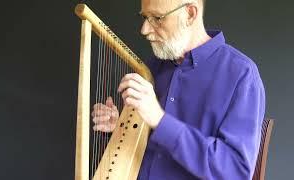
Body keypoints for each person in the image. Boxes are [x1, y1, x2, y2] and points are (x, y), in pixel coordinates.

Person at [91, 0, 266, 179]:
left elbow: (236, 171)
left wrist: (160, 120)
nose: (144, 29)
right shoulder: (153, 67)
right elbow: (141, 143)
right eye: (145, 17)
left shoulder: (241, 75)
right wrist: (118, 127)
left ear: (190, 14)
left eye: (157, 18)